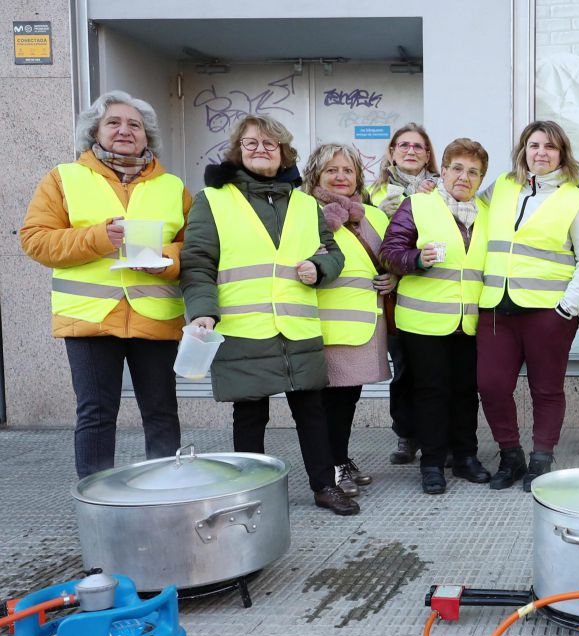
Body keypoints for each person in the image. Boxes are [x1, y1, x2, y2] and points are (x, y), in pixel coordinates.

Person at [181, 115, 356, 515]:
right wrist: (202, 313)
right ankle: (251, 491)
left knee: (311, 413)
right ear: (237, 151)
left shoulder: (305, 203)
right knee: (250, 414)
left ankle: (324, 486)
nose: (261, 150)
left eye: (270, 145)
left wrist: (320, 267)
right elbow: (197, 263)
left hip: (296, 327)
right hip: (245, 327)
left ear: (283, 153)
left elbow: (333, 253)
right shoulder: (214, 200)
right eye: (251, 144)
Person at [20, 90, 190, 479]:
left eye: (135, 125)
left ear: (148, 136)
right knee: (96, 414)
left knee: (162, 411)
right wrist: (98, 237)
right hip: (91, 318)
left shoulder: (173, 186)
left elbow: (194, 249)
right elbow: (35, 239)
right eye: (114, 122)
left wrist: (165, 261)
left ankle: (167, 493)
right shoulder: (64, 178)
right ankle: (97, 502)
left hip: (155, 315)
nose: (125, 130)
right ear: (95, 131)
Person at [476, 120, 579, 491]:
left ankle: (541, 459)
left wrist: (567, 308)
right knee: (491, 385)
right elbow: (462, 208)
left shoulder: (577, 201)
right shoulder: (501, 187)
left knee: (546, 389)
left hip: (548, 314)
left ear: (562, 154)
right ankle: (510, 455)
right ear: (523, 151)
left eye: (550, 147)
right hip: (496, 309)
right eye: (534, 146)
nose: (541, 153)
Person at [380, 138, 493, 494]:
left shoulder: (488, 216)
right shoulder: (417, 204)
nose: (464, 176)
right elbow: (389, 251)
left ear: (480, 178)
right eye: (457, 168)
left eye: (473, 171)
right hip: (424, 322)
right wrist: (414, 259)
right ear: (442, 172)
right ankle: (431, 464)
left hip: (470, 321)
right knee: (430, 393)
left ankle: (466, 457)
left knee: (465, 392)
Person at [301, 142, 393, 497]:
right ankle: (332, 467)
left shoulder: (374, 215)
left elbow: (391, 257)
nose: (341, 177)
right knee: (325, 404)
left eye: (347, 170)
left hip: (363, 325)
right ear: (316, 175)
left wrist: (394, 277)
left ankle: (340, 459)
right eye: (332, 170)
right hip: (322, 324)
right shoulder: (304, 212)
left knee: (347, 399)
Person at [369, 123, 440, 467]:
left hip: (430, 292)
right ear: (392, 152)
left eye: (418, 146)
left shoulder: (443, 190)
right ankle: (407, 434)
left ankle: (436, 438)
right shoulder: (372, 192)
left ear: (428, 155)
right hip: (387, 296)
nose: (410, 151)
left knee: (431, 371)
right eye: (403, 145)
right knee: (403, 370)